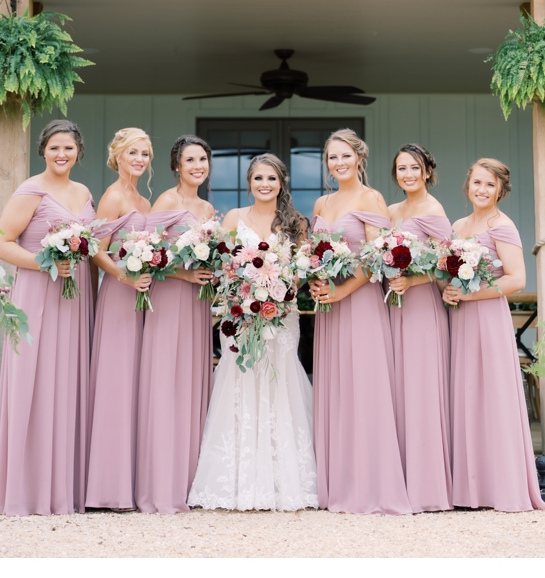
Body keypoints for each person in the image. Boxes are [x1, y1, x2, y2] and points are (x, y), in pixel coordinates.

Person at [188, 153, 317, 511]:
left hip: (282, 313)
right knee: (239, 381)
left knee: (282, 382)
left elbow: (301, 272)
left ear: (281, 183)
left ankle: (282, 480)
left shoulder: (296, 222)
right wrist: (244, 291)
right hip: (241, 313)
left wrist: (278, 283)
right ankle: (237, 481)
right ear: (249, 182)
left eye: (271, 178)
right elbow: (225, 263)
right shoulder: (234, 218)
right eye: (259, 178)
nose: (265, 184)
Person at [0, 119, 97, 515]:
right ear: (43, 151)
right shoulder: (30, 191)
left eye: (68, 148)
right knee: (35, 381)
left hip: (75, 295)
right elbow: (0, 243)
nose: (62, 154)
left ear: (78, 151)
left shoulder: (84, 192)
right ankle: (25, 490)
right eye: (54, 148)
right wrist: (42, 262)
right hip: (38, 293)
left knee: (66, 380)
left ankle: (63, 489)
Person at [307, 129, 413, 515]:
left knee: (365, 387)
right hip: (329, 307)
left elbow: (378, 259)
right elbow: (314, 253)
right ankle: (338, 483)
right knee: (336, 387)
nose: (339, 163)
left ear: (359, 158)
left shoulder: (372, 198)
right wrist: (317, 278)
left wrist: (340, 291)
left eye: (345, 156)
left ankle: (371, 485)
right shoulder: (321, 201)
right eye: (332, 157)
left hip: (361, 303)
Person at [444, 159, 545, 512]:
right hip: (461, 319)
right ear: (467, 185)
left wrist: (469, 294)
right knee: (466, 394)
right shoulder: (458, 225)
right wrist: (450, 290)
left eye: (489, 184)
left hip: (487, 317)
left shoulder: (503, 226)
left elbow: (517, 279)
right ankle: (470, 488)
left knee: (492, 395)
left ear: (501, 189)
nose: (482, 190)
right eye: (476, 183)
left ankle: (500, 486)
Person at [135, 135, 216, 513]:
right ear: (177, 165)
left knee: (190, 384)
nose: (197, 166)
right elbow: (146, 254)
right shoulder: (166, 201)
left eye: (203, 159)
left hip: (198, 306)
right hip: (169, 301)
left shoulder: (208, 207)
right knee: (165, 384)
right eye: (190, 160)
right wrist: (185, 277)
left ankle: (189, 483)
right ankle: (160, 485)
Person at [82, 128, 156, 510]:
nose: (139, 159)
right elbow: (96, 250)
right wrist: (125, 276)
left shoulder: (144, 199)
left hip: (143, 297)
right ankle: (108, 488)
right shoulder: (113, 196)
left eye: (144, 153)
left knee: (137, 384)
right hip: (118, 295)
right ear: (117, 157)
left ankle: (134, 480)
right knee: (117, 381)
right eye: (133, 153)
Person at [385, 143, 454, 513]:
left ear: (427, 171)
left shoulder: (433, 210)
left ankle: (427, 487)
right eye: (401, 168)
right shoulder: (390, 211)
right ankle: (399, 478)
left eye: (414, 167)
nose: (408, 174)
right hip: (392, 307)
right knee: (397, 389)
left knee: (421, 388)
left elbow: (447, 263)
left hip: (421, 307)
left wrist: (413, 281)